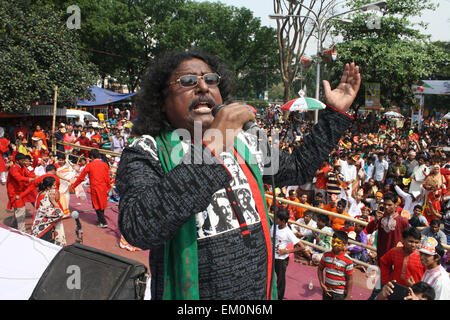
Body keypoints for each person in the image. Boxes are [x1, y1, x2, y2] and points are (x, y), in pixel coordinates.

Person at [116, 50, 361, 300]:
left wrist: (335, 115)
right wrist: (214, 143)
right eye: (188, 81)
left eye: (211, 79)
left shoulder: (244, 142)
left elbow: (299, 167)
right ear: (161, 101)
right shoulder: (146, 151)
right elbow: (138, 228)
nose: (202, 86)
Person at [71, 149, 111, 228]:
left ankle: (103, 221)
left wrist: (74, 185)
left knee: (96, 204)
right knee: (102, 204)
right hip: (103, 187)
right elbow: (108, 178)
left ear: (91, 156)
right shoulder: (105, 165)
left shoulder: (90, 165)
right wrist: (108, 188)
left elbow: (81, 177)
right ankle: (101, 219)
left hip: (95, 187)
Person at [271, 209, 305, 300]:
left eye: (277, 218)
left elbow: (302, 247)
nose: (275, 220)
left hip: (281, 260)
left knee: (280, 280)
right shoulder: (274, 226)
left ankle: (279, 297)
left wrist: (285, 252)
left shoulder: (288, 232)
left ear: (282, 221)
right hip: (272, 256)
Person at [365, 193, 410, 261]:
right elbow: (368, 230)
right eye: (385, 204)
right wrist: (376, 220)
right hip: (381, 254)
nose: (386, 207)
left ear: (396, 205)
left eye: (389, 205)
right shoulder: (381, 218)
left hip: (396, 256)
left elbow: (407, 238)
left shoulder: (403, 221)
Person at [317, 231, 354, 300]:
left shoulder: (348, 260)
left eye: (338, 243)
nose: (334, 245)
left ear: (344, 244)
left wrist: (348, 296)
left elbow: (350, 279)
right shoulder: (326, 255)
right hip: (327, 291)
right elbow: (320, 269)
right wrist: (322, 284)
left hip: (339, 294)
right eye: (333, 241)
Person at [31, 176, 66, 246]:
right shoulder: (45, 198)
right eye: (54, 185)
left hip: (43, 228)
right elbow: (59, 213)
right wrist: (54, 202)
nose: (56, 187)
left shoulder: (42, 194)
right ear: (48, 187)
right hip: (44, 230)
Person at [6, 153, 35, 232]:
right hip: (14, 193)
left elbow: (28, 174)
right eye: (23, 161)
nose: (24, 162)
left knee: (18, 210)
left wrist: (36, 177)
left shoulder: (22, 167)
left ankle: (13, 225)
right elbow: (18, 178)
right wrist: (29, 179)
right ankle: (22, 230)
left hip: (19, 191)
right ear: (18, 161)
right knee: (20, 210)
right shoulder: (14, 168)